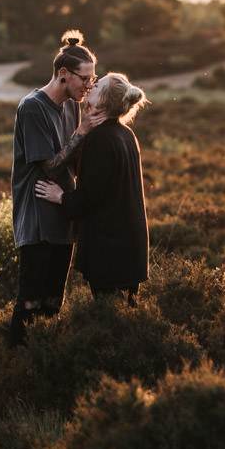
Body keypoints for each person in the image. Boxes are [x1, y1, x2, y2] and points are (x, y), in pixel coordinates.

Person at [8, 30, 106, 347]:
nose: (89, 86)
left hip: (62, 220)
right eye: (85, 79)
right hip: (37, 222)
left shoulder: (71, 106)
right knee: (29, 306)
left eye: (94, 79)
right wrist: (82, 132)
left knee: (53, 305)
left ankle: (43, 367)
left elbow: (72, 161)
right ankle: (12, 370)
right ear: (63, 74)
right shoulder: (32, 108)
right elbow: (49, 167)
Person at [35, 72, 150, 306]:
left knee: (110, 321)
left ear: (104, 101)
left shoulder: (102, 139)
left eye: (96, 86)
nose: (90, 87)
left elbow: (91, 196)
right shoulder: (125, 134)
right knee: (127, 318)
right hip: (130, 246)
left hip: (111, 250)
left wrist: (61, 197)